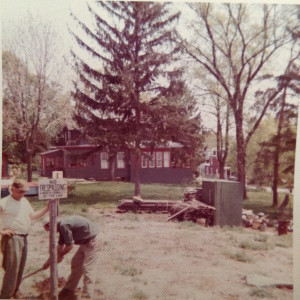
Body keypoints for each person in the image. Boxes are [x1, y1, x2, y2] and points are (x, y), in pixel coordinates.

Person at [0, 179, 50, 299]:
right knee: (12, 269)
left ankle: (15, 291)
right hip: (12, 238)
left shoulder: (24, 201)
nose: (22, 194)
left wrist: (47, 208)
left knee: (20, 268)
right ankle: (5, 295)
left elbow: (32, 216)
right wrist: (2, 232)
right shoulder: (4, 202)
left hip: (24, 238)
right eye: (20, 192)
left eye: (24, 192)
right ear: (12, 190)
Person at [43, 215, 101, 300]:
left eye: (49, 230)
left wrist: (61, 256)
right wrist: (49, 262)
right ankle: (69, 289)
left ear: (51, 225)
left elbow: (69, 247)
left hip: (93, 240)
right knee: (76, 262)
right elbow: (60, 246)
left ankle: (87, 296)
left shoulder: (63, 226)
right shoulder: (61, 226)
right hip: (85, 242)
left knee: (88, 268)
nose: (51, 232)